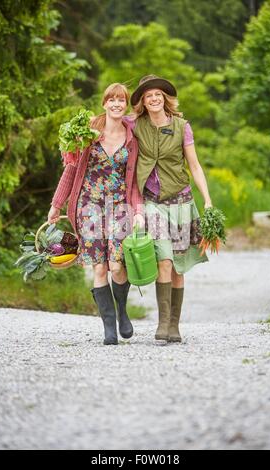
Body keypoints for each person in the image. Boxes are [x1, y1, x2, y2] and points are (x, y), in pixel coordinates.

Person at [48, 83, 143, 345]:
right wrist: (57, 205)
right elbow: (70, 169)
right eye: (111, 100)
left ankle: (123, 310)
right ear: (104, 103)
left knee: (116, 265)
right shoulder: (90, 133)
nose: (115, 104)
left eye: (120, 100)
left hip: (120, 207)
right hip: (89, 207)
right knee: (99, 267)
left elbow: (134, 181)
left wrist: (138, 210)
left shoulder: (132, 136)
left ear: (125, 105)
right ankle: (108, 326)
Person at [128, 75, 212, 343]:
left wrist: (207, 198)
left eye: (158, 95)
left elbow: (195, 166)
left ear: (165, 98)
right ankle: (162, 322)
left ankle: (174, 326)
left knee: (178, 268)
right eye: (148, 95)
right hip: (153, 203)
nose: (153, 99)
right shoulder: (135, 125)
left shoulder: (181, 126)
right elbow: (110, 122)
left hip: (181, 202)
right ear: (142, 101)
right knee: (163, 260)